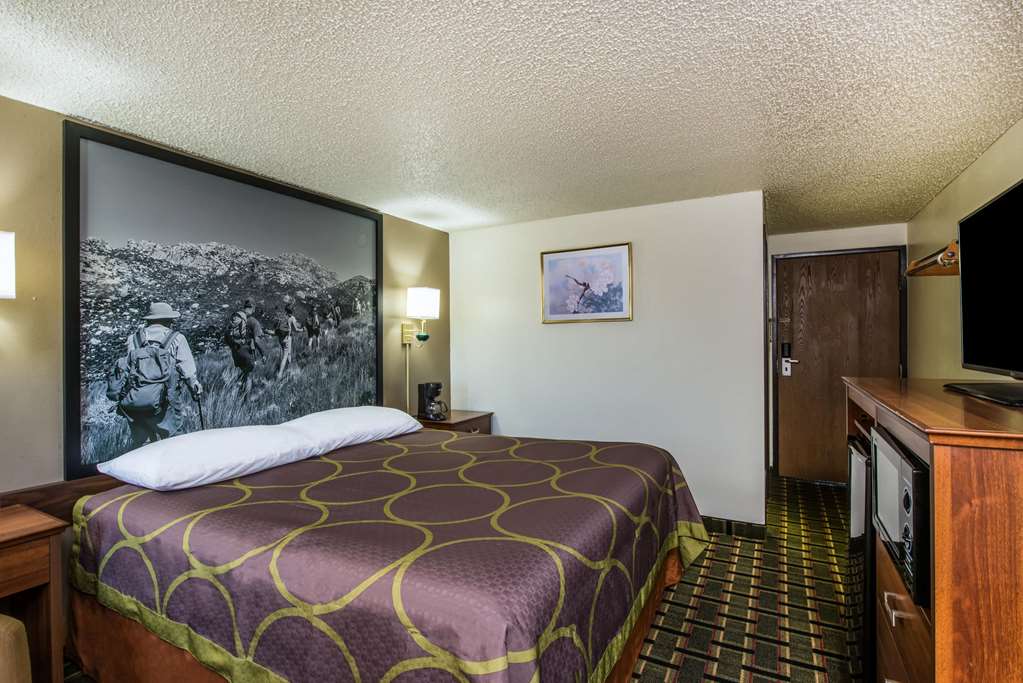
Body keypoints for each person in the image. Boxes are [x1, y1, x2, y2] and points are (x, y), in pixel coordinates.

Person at [108, 302, 202, 448]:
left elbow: (129, 367)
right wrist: (194, 389)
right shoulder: (177, 338)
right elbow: (188, 371)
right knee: (174, 442)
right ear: (168, 320)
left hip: (135, 400)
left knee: (142, 446)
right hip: (166, 401)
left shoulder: (134, 338)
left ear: (149, 320)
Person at [225, 298, 266, 396]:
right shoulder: (253, 321)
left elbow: (226, 338)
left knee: (245, 372)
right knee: (249, 376)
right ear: (253, 307)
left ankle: (238, 391)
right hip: (246, 352)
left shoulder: (235, 318)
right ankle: (246, 400)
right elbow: (257, 340)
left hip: (235, 352)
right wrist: (263, 354)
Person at [275, 303, 305, 379]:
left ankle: (289, 369)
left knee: (288, 354)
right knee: (285, 356)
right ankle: (280, 374)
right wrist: (302, 330)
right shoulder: (292, 318)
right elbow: (296, 329)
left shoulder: (283, 316)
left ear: (286, 310)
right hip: (287, 338)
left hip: (280, 338)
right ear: (292, 310)